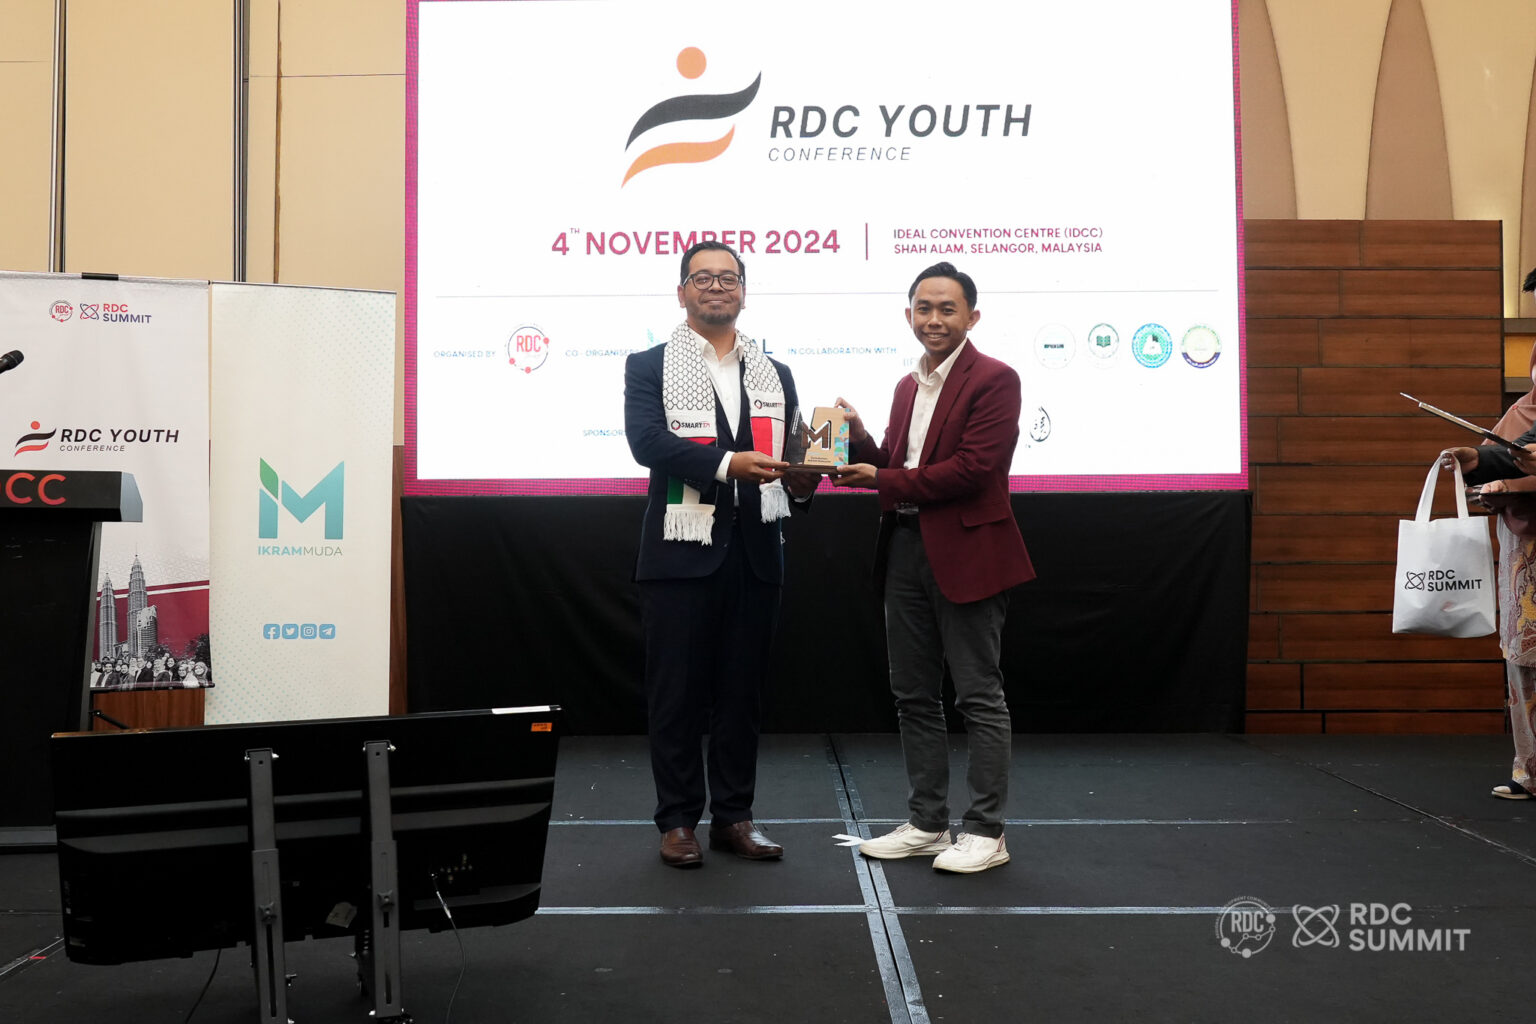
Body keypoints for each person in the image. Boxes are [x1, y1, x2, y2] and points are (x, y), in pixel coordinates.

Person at [832, 261, 1034, 874]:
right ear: (908, 315)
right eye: (924, 308)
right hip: (904, 547)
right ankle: (927, 823)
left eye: (948, 308)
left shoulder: (995, 379)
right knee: (913, 695)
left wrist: (881, 477)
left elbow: (974, 470)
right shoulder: (906, 386)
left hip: (969, 552)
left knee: (978, 696)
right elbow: (899, 464)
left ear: (973, 316)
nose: (934, 319)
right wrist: (859, 440)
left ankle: (986, 832)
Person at [624, 240, 817, 868]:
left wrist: (807, 476)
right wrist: (728, 464)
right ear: (681, 291)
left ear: (743, 292)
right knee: (676, 696)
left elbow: (789, 462)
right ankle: (678, 820)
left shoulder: (775, 372)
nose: (716, 287)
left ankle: (734, 816)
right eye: (702, 278)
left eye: (728, 278)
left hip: (756, 554)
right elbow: (647, 443)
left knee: (742, 696)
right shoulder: (649, 365)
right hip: (680, 555)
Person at [1445, 269, 1536, 799]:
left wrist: (1513, 479)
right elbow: (1523, 440)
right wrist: (1478, 459)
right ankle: (1531, 769)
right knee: (1523, 658)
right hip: (1526, 540)